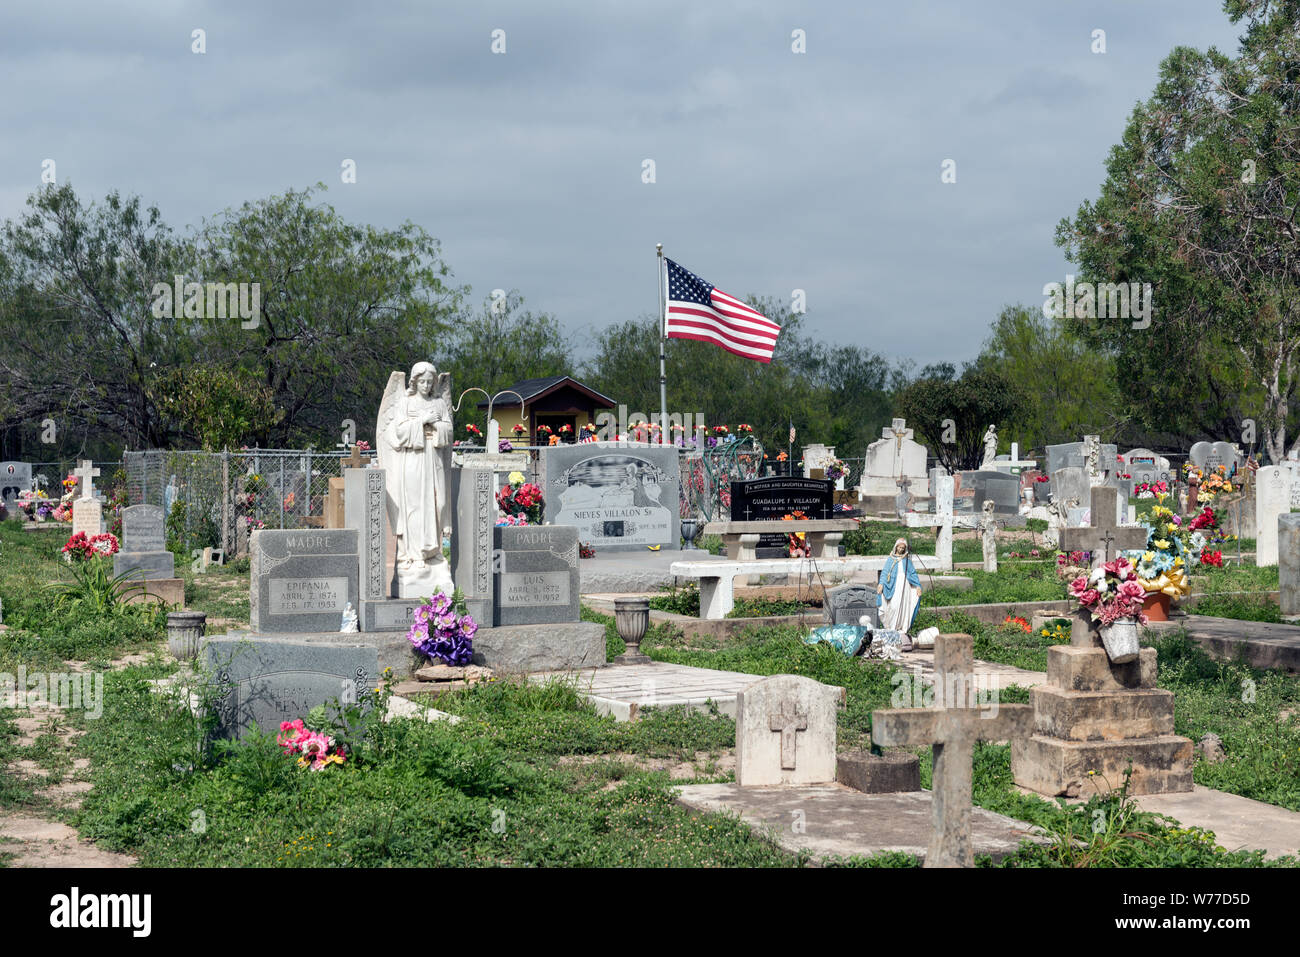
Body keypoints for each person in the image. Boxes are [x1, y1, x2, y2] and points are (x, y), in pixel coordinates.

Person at [380, 362, 453, 597]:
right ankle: (413, 556)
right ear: (414, 381)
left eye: (430, 382)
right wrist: (421, 421)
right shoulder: (405, 403)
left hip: (433, 460)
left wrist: (435, 424)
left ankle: (432, 552)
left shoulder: (439, 403)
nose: (426, 385)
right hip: (412, 461)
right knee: (413, 507)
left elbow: (448, 433)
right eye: (421, 381)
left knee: (437, 504)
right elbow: (397, 434)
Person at [877, 537, 922, 633]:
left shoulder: (906, 560)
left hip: (905, 586)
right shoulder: (891, 559)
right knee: (893, 606)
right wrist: (881, 584)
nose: (901, 550)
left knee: (903, 607)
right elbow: (885, 572)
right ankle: (891, 628)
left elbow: (912, 573)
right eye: (899, 547)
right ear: (896, 547)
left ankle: (901, 627)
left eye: (903, 548)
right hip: (894, 585)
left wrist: (918, 586)